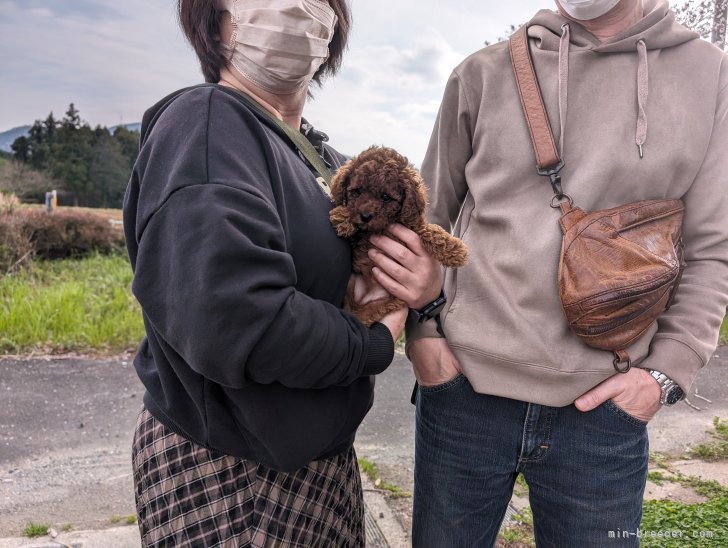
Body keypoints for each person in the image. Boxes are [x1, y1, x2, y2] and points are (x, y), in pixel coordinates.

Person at [406, 0, 728, 545]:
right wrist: (425, 336)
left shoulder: (711, 77)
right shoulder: (482, 72)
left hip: (605, 413)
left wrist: (664, 375)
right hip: (462, 395)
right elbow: (424, 223)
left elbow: (712, 247)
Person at [122, 0, 442, 545]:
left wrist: (424, 289)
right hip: (231, 475)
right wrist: (372, 343)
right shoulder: (208, 123)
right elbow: (237, 320)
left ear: (332, 29)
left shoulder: (322, 160)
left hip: (316, 465)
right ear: (217, 21)